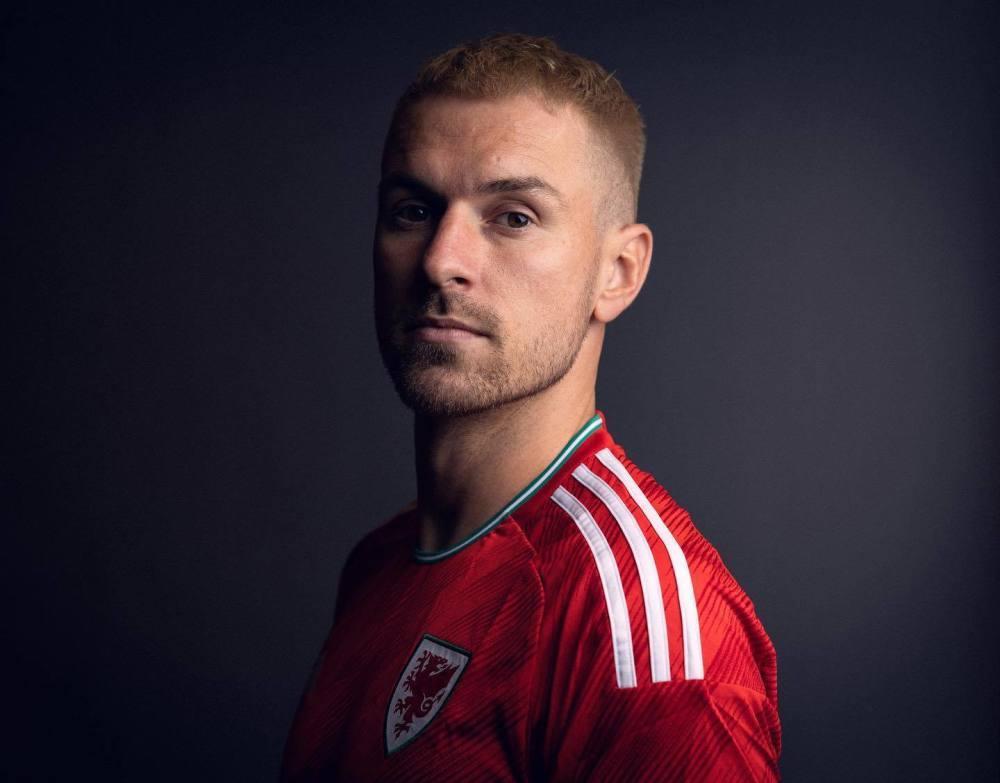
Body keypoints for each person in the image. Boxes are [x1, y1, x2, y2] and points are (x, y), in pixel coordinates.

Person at [281, 33, 781, 782]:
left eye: (513, 217)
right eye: (412, 210)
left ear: (618, 272)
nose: (441, 260)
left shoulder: (640, 631)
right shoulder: (379, 562)